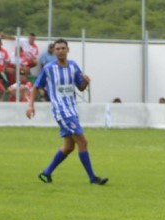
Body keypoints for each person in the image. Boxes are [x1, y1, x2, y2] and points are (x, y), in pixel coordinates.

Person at [26, 38, 108, 185]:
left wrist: (86, 81)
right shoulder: (49, 68)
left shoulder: (74, 66)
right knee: (83, 142)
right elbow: (36, 86)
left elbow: (80, 87)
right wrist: (31, 105)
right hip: (61, 110)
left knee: (69, 146)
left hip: (72, 109)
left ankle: (46, 173)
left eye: (63, 48)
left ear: (67, 50)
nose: (60, 51)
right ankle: (92, 178)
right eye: (57, 49)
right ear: (54, 51)